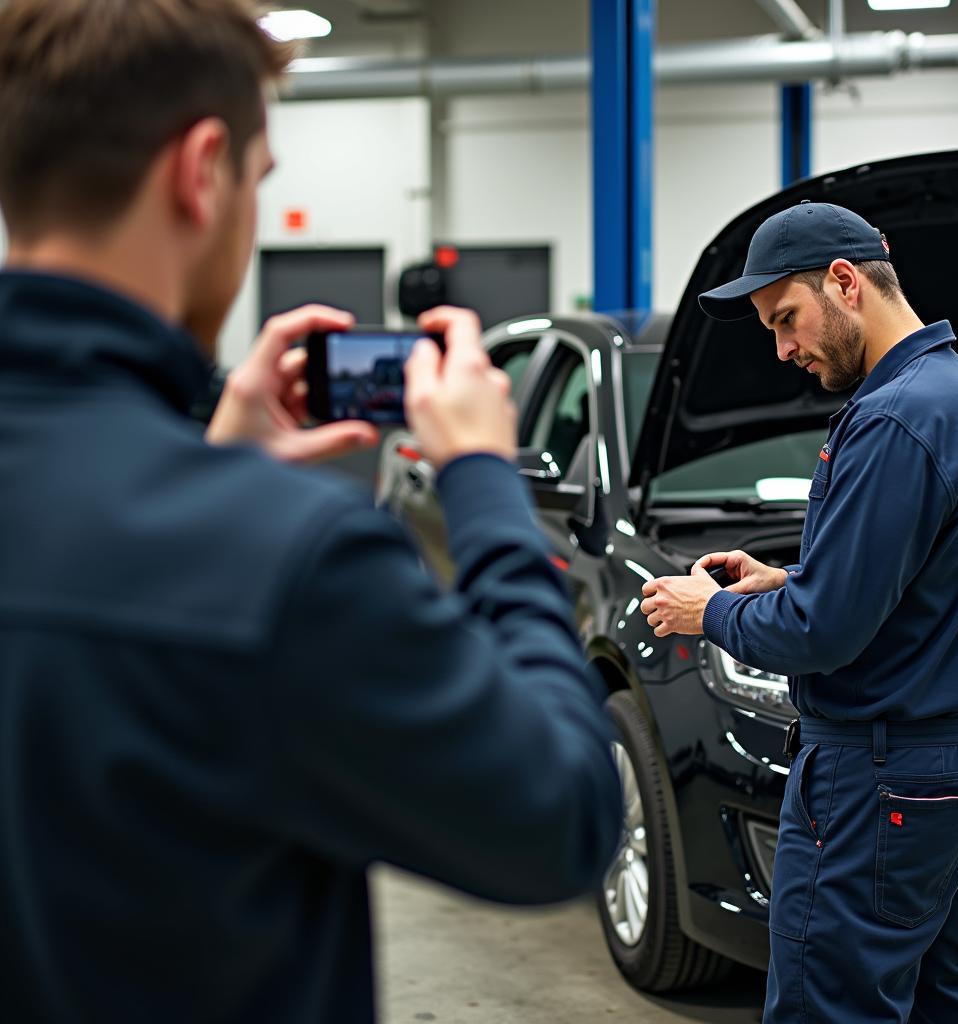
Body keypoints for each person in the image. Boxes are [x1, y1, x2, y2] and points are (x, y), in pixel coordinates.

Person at [0, 2, 622, 1022]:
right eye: (258, 182)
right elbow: (559, 817)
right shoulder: (288, 560)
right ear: (202, 171)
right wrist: (480, 476)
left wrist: (207, 461)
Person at [640, 201, 958, 1022]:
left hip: (884, 781)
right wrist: (792, 577)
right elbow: (931, 585)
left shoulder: (893, 418)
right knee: (938, 1006)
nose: (782, 350)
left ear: (845, 282)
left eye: (787, 319)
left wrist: (705, 610)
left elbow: (822, 635)